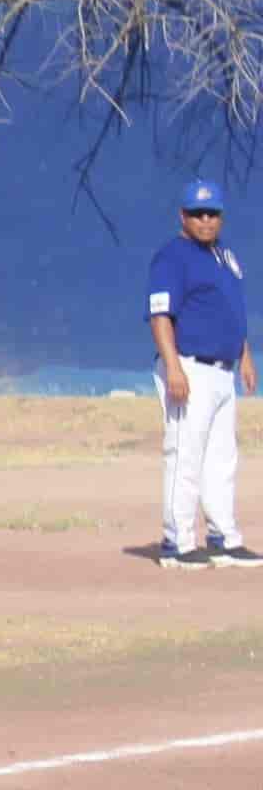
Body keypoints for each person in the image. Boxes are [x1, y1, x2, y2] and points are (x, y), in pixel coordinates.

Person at [149, 178, 261, 568]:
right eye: (197, 213)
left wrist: (244, 355)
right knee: (185, 455)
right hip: (189, 367)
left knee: (222, 457)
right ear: (183, 215)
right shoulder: (172, 257)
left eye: (212, 212)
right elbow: (160, 315)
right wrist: (174, 367)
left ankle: (223, 537)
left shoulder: (225, 255)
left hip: (223, 369)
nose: (206, 219)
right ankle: (176, 542)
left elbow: (230, 311)